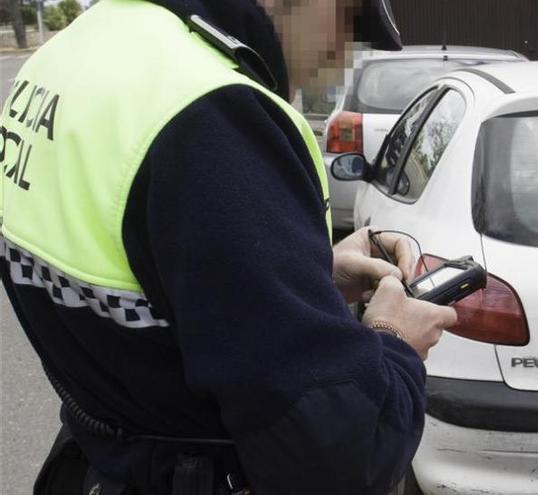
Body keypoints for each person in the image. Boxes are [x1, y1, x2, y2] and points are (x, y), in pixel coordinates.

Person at [0, 0, 458, 493]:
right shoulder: (211, 114)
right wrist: (394, 339)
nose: (343, 52)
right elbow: (338, 455)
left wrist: (303, 274)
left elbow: (138, 251)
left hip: (97, 460)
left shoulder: (72, 51)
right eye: (349, 18)